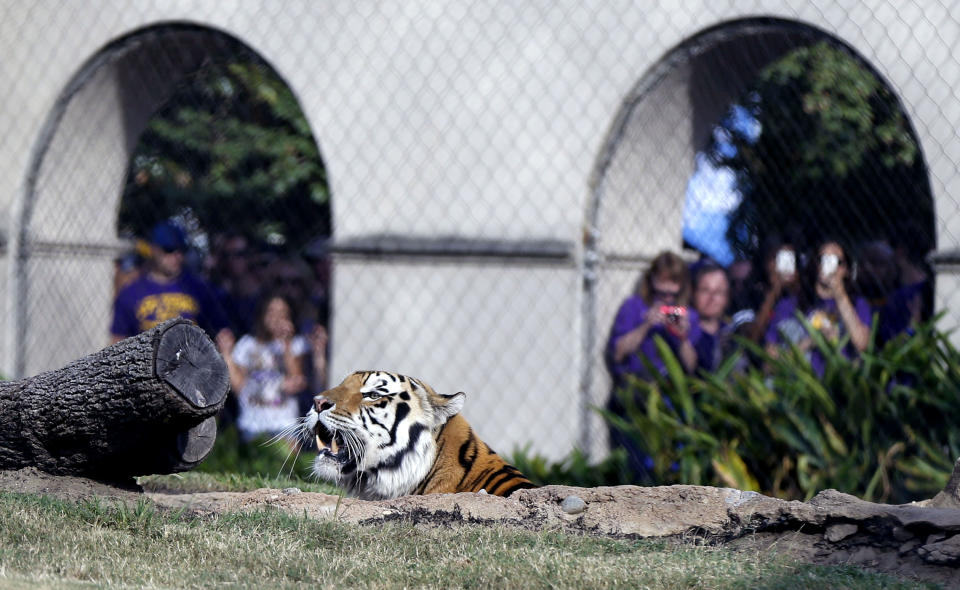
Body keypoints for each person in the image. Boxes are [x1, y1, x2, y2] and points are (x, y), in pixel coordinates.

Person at [605, 251, 699, 481]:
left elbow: (692, 367)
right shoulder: (633, 307)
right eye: (660, 293)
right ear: (651, 284)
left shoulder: (687, 315)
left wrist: (682, 336)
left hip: (670, 400)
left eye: (672, 295)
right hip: (635, 397)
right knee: (635, 469)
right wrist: (646, 325)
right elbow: (617, 353)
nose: (666, 300)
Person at [110, 221, 230, 344]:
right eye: (169, 250)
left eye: (182, 250)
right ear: (153, 250)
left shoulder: (200, 289)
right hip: (147, 360)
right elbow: (117, 339)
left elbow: (223, 334)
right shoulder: (131, 293)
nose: (177, 256)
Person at [765, 240, 872, 374]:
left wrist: (840, 294)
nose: (828, 266)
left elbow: (862, 345)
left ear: (846, 270)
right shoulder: (788, 306)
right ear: (816, 264)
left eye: (836, 261)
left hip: (842, 383)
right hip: (800, 383)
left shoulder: (857, 304)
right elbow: (769, 365)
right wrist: (810, 342)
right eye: (823, 259)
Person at [218, 293, 309, 443]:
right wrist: (226, 354)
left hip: (284, 424)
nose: (277, 318)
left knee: (287, 465)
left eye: (282, 314)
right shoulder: (247, 344)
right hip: (252, 423)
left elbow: (297, 381)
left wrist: (286, 344)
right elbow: (238, 386)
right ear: (262, 315)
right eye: (271, 312)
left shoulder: (297, 345)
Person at [691, 263, 731, 373]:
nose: (712, 298)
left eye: (718, 292)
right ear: (693, 293)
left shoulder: (732, 334)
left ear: (726, 297)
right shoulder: (686, 329)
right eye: (705, 290)